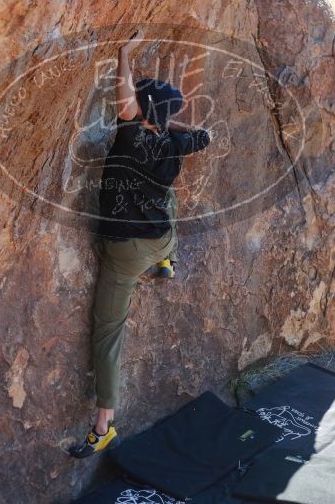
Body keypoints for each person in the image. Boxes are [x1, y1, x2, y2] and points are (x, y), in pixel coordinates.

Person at [69, 30, 211, 458]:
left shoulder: (131, 135)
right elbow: (205, 136)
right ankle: (169, 260)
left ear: (140, 111)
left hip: (126, 251)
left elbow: (124, 95)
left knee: (108, 332)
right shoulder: (175, 142)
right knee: (167, 191)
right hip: (159, 238)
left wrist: (124, 53)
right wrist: (169, 125)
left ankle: (103, 426)